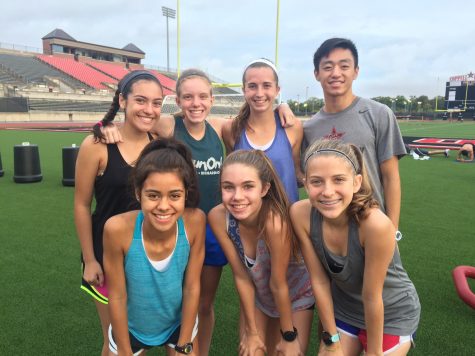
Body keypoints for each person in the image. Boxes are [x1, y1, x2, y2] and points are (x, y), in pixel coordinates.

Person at [98, 68, 296, 355]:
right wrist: (107, 125)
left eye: (203, 96)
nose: (196, 103)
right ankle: (152, 338)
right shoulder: (168, 126)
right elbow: (140, 118)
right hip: (177, 225)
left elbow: (257, 115)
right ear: (177, 100)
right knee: (169, 296)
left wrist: (283, 105)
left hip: (213, 230)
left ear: (212, 99)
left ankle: (193, 350)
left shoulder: (219, 127)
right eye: (188, 97)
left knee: (203, 301)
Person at [291, 139, 420, 356]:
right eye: (316, 182)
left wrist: (375, 351)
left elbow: (372, 296)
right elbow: (320, 281)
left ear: (356, 182)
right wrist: (331, 340)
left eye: (339, 179)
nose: (328, 192)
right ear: (305, 183)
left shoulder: (375, 225)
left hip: (391, 313)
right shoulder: (300, 214)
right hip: (346, 310)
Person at [74, 70, 163, 355]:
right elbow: (81, 205)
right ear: (123, 101)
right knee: (117, 343)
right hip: (106, 257)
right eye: (141, 100)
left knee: (139, 341)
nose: (149, 110)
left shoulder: (159, 145)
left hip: (146, 258)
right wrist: (89, 259)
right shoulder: (97, 146)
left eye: (157, 103)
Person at [104, 138, 205, 355]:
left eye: (175, 195)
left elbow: (192, 287)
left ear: (186, 194)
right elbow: (117, 295)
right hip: (131, 327)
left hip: (179, 324)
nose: (163, 206)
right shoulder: (117, 230)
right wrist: (123, 349)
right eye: (153, 195)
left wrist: (184, 343)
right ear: (138, 192)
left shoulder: (195, 222)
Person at [209, 150, 314, 356]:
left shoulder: (275, 223)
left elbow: (279, 283)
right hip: (260, 295)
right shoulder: (218, 217)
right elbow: (241, 276)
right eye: (228, 187)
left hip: (295, 296)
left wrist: (288, 336)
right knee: (251, 350)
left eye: (248, 186)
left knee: (285, 352)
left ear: (264, 188)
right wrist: (251, 331)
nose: (237, 196)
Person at [303, 38, 406, 229]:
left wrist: (392, 229)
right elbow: (306, 179)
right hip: (328, 231)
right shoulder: (310, 127)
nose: (336, 73)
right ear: (316, 74)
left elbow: (391, 177)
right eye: (327, 67)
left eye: (344, 66)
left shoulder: (379, 114)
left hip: (371, 226)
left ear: (356, 71)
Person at [222, 58, 304, 204]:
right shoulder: (232, 129)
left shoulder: (292, 127)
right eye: (252, 86)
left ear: (277, 90)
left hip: (287, 220)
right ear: (244, 90)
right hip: (247, 220)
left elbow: (296, 173)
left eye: (267, 85)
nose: (259, 93)